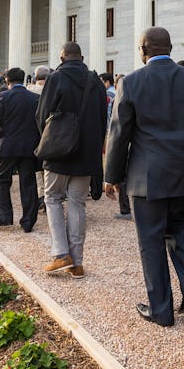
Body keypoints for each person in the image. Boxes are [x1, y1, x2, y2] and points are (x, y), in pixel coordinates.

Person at [104, 27, 184, 327]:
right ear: (170, 47)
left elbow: (118, 134)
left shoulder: (131, 82)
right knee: (180, 230)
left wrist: (111, 176)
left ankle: (160, 310)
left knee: (151, 242)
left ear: (143, 50)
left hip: (147, 177)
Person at [35, 42, 107, 279]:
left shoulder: (56, 78)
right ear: (82, 57)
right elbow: (101, 119)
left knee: (53, 198)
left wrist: (48, 138)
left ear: (62, 57)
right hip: (87, 152)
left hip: (59, 150)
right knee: (77, 202)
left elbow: (42, 114)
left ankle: (60, 254)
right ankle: (77, 262)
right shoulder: (95, 81)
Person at [0, 67, 41, 232]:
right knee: (28, 183)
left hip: (7, 146)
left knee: (2, 181)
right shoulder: (35, 98)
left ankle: (5, 218)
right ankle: (28, 222)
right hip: (30, 146)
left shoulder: (3, 96)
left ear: (7, 82)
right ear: (23, 80)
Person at [99, 72, 131, 220]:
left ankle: (125, 210)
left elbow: (115, 125)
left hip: (120, 139)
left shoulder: (116, 99)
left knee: (122, 177)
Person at [27, 66, 51, 213]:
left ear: (35, 78)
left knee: (37, 172)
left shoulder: (28, 91)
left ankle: (41, 196)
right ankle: (50, 198)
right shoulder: (53, 92)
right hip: (49, 136)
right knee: (48, 169)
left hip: (32, 136)